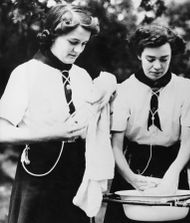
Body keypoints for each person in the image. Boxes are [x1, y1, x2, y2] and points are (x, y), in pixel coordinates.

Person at [0, 4, 115, 223]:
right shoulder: (26, 73)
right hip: (38, 173)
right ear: (52, 34)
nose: (78, 50)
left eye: (83, 44)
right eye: (73, 42)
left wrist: (109, 91)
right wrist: (49, 133)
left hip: (76, 175)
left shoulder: (82, 76)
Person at [104, 24, 190, 223]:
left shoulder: (186, 88)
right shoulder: (123, 90)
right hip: (130, 165)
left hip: (172, 163)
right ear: (139, 55)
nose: (157, 66)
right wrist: (131, 178)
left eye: (164, 59)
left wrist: (173, 174)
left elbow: (187, 143)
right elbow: (115, 146)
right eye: (150, 59)